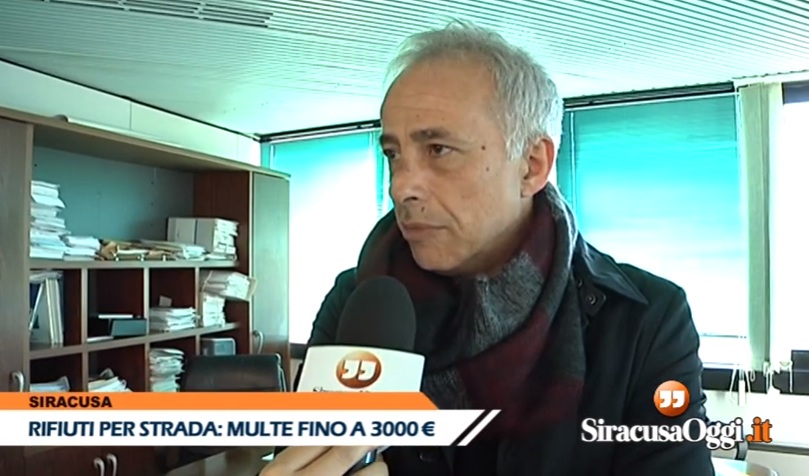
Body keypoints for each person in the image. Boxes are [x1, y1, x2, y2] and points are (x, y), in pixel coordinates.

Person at [261, 20, 713, 476]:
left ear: (531, 165)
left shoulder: (645, 321)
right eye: (393, 154)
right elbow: (306, 456)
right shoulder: (356, 301)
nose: (401, 187)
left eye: (438, 149)